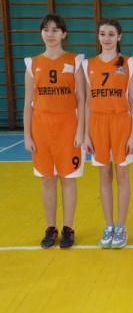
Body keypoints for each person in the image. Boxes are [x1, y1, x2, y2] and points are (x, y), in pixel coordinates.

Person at [23, 14, 85, 248]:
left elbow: (82, 99)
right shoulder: (32, 64)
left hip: (68, 127)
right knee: (47, 179)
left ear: (64, 34)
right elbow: (28, 103)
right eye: (46, 30)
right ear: (41, 33)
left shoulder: (75, 61)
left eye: (55, 30)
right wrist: (27, 135)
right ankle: (51, 227)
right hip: (41, 128)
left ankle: (68, 227)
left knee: (68, 179)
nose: (50, 34)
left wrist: (81, 131)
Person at [83, 19, 133, 249]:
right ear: (98, 36)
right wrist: (86, 134)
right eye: (103, 34)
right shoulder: (87, 64)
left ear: (119, 37)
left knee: (122, 175)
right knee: (104, 176)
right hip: (97, 123)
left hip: (121, 122)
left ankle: (122, 226)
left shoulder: (128, 63)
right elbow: (86, 102)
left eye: (111, 34)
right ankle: (109, 225)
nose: (106, 38)